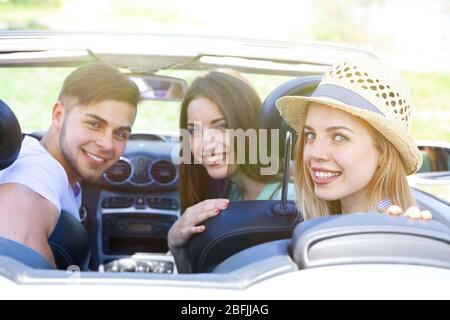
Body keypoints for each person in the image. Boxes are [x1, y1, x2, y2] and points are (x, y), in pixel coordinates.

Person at [0, 63, 140, 266]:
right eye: (94, 124)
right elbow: (11, 241)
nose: (107, 144)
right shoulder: (41, 169)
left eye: (120, 133)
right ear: (58, 115)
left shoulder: (58, 165)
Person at [277, 56, 432, 221]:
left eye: (339, 137)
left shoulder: (396, 234)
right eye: (310, 135)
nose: (315, 153)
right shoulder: (322, 225)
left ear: (383, 154)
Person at [168, 71, 296, 266]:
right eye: (194, 130)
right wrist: (175, 241)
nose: (205, 144)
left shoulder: (292, 200)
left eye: (221, 126)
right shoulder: (231, 191)